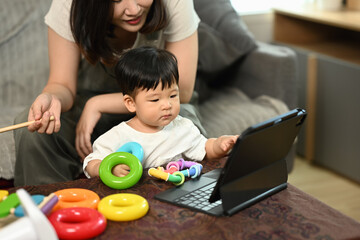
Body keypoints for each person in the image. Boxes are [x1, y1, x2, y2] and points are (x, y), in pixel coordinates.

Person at [13, 0, 204, 186]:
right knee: (33, 131)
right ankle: (47, 209)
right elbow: (61, 84)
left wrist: (97, 104)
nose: (133, 9)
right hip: (88, 96)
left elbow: (183, 90)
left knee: (182, 126)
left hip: (158, 102)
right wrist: (52, 97)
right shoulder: (68, 4)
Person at [84, 47, 238, 178]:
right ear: (131, 103)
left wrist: (220, 145)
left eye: (172, 96)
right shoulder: (118, 136)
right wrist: (110, 168)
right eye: (155, 100)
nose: (167, 105)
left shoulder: (182, 127)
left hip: (173, 197)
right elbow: (91, 163)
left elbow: (205, 149)